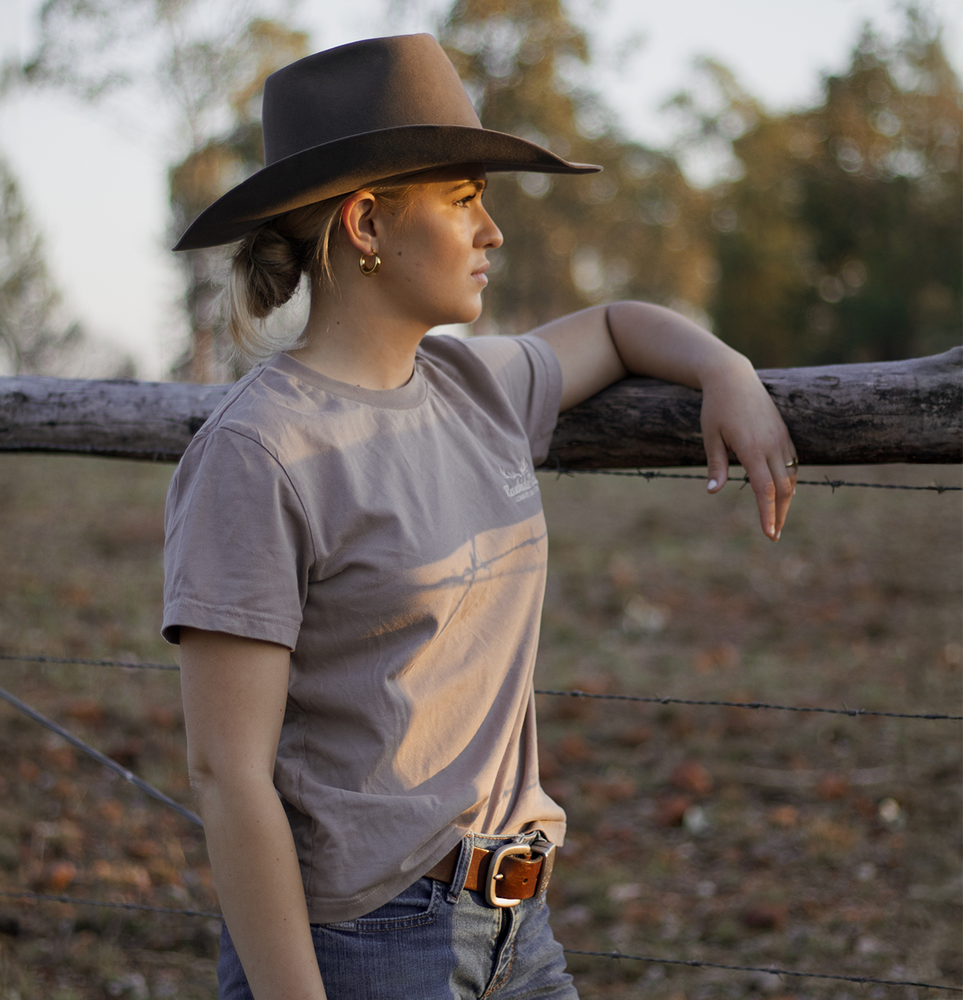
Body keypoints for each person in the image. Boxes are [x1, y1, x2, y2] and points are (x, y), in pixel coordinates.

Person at [163, 33, 798, 1000]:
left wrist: (726, 369)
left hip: (519, 931)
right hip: (361, 948)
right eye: (464, 200)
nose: (492, 231)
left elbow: (620, 324)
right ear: (368, 223)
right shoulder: (258, 455)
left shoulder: (472, 385)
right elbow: (228, 775)